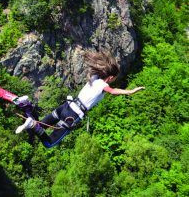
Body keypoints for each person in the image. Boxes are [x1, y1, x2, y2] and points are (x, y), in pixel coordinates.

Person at [15, 50, 145, 148]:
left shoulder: (94, 78)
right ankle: (30, 121)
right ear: (110, 77)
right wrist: (130, 91)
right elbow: (113, 91)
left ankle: (26, 104)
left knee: (41, 124)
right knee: (49, 143)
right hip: (72, 115)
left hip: (65, 107)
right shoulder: (103, 85)